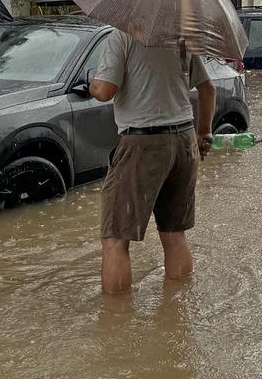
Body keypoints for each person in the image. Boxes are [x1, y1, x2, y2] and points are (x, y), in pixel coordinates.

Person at [90, 34, 215, 293]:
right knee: (174, 234)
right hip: (183, 141)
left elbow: (103, 91)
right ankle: (178, 306)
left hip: (142, 143)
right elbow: (208, 89)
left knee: (115, 238)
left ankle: (116, 315)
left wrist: (93, 83)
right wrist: (204, 133)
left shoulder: (121, 37)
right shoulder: (181, 38)